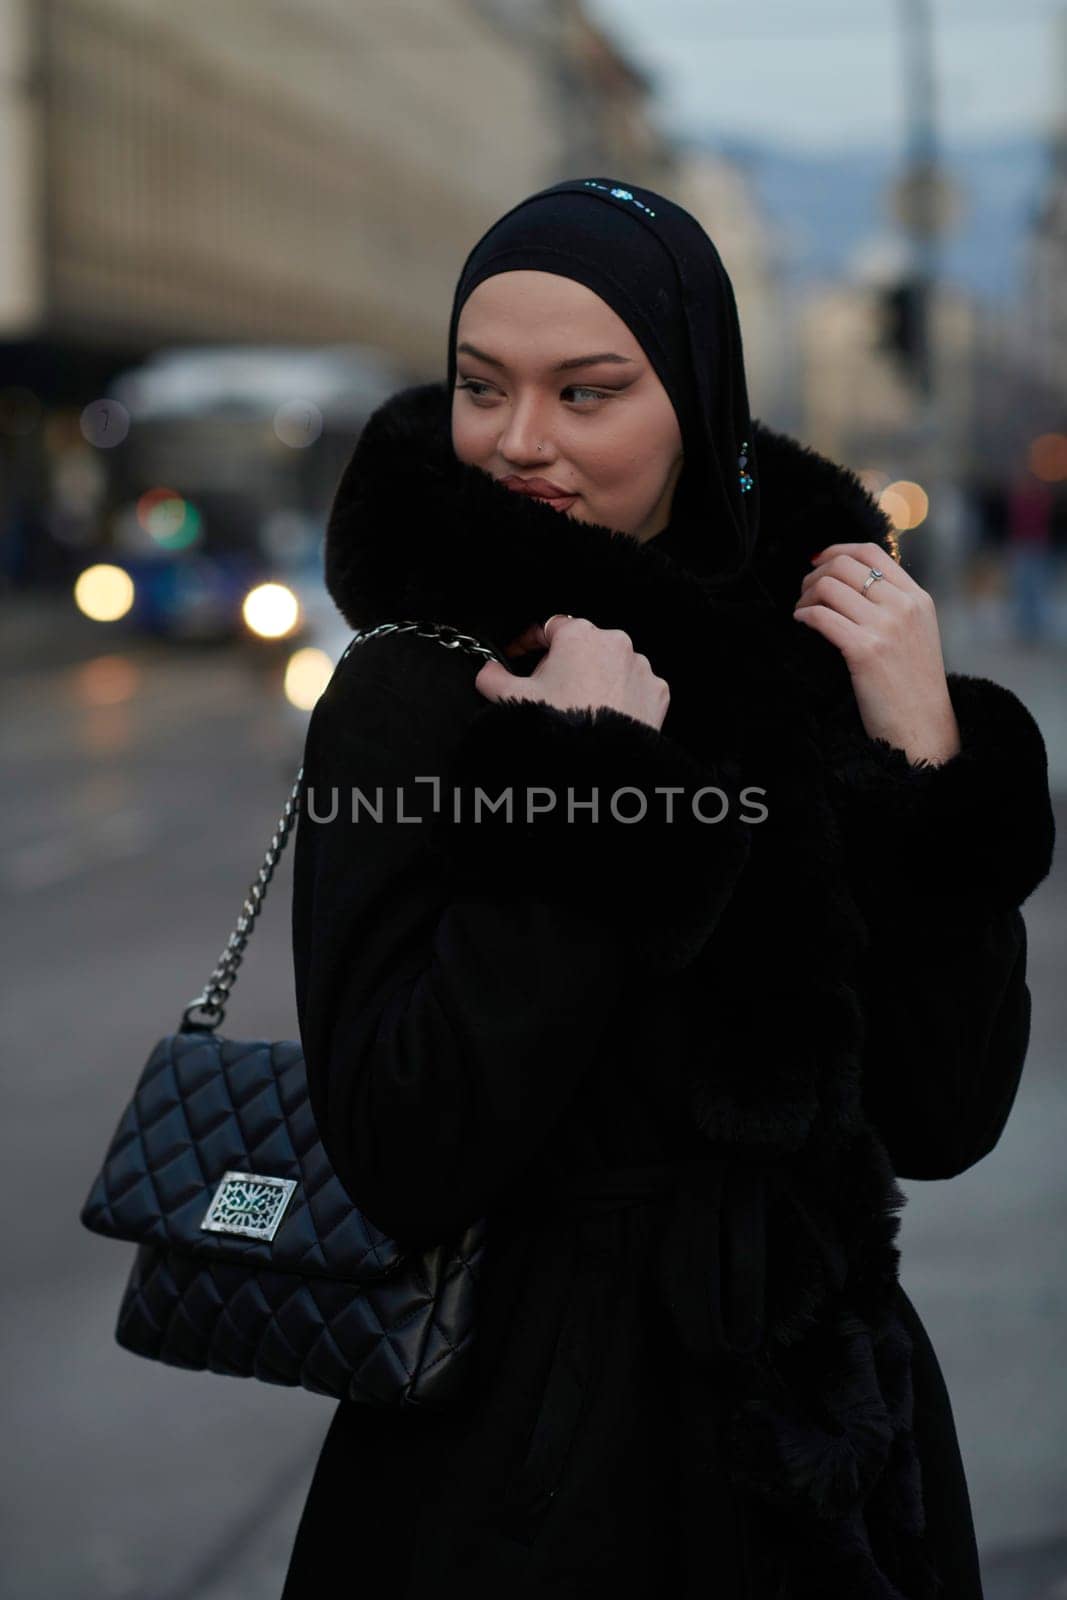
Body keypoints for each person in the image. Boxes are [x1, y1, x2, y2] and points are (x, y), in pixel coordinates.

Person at [282, 178, 1055, 1599]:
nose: (519, 443)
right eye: (479, 387)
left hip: (835, 1452)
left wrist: (924, 750)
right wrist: (580, 782)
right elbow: (403, 1148)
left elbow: (946, 1115)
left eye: (587, 394)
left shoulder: (809, 663)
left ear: (694, 399)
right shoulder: (410, 688)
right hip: (524, 1476)